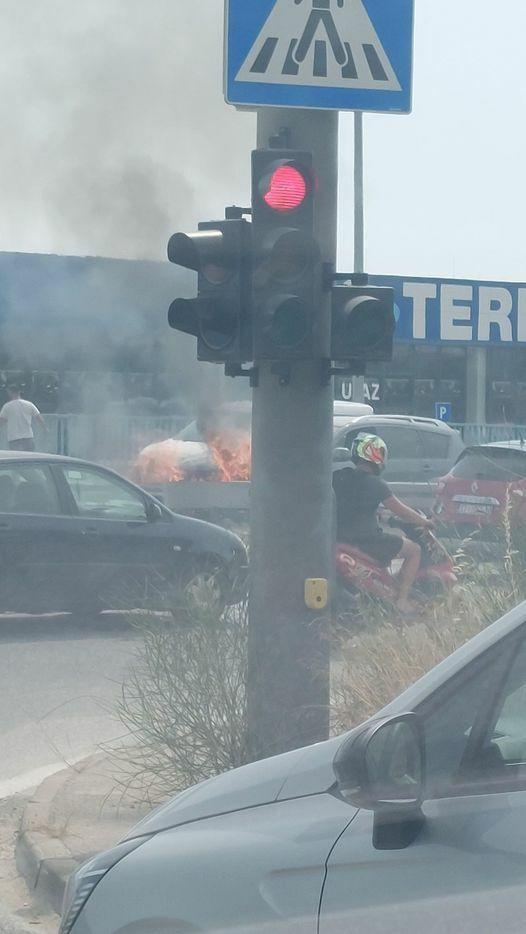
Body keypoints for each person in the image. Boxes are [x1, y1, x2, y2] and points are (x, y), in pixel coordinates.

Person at [332, 433, 434, 612]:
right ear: (376, 456)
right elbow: (401, 511)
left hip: (340, 538)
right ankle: (402, 600)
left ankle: (390, 589)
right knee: (414, 550)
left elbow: (353, 506)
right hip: (368, 542)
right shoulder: (376, 484)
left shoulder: (339, 477)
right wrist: (425, 522)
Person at [0, 385, 47, 451]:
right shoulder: (29, 404)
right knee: (28, 458)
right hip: (28, 437)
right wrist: (44, 429)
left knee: (16, 458)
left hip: (14, 438)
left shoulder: (7, 406)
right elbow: (39, 417)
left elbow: (2, 421)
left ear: (10, 393)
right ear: (19, 392)